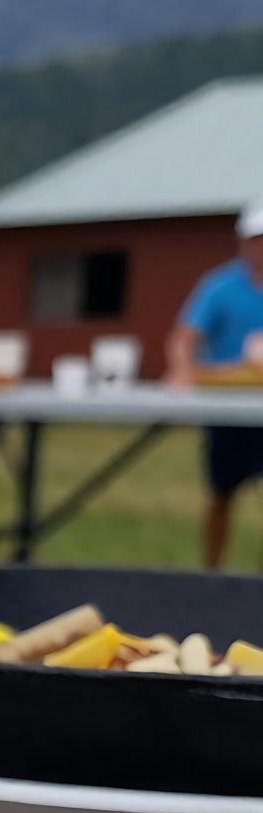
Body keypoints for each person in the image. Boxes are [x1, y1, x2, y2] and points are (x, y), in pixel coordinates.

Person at [168, 196, 263, 568]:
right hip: (228, 407)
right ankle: (213, 571)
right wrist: (181, 371)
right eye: (256, 239)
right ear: (243, 241)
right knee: (221, 492)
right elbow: (184, 337)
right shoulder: (220, 286)